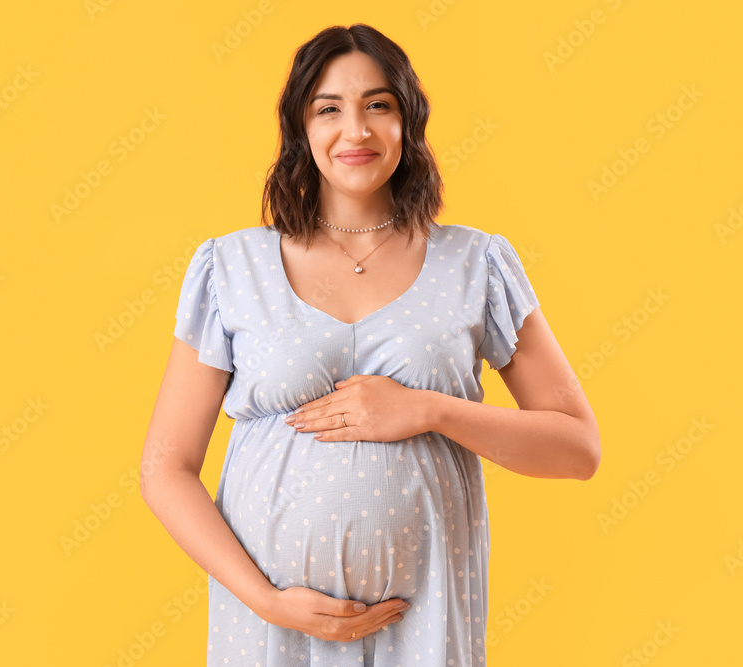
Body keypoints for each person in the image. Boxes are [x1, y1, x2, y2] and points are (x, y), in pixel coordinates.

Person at [140, 23, 600, 666]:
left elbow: (577, 449)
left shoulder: (476, 263)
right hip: (271, 632)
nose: (355, 131)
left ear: (408, 123)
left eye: (378, 106)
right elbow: (165, 468)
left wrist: (429, 409)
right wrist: (265, 600)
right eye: (328, 108)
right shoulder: (231, 267)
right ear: (300, 128)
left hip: (426, 625)